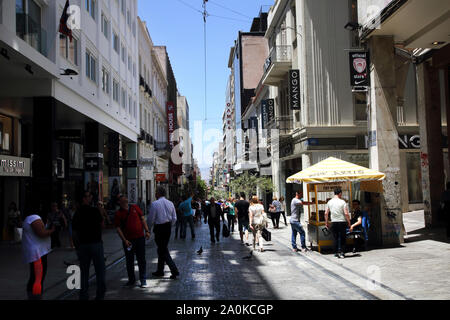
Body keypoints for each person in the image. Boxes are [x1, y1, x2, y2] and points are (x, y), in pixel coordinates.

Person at [72, 192, 106, 300]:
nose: (91, 197)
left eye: (90, 196)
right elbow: (103, 225)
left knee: (84, 272)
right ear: (84, 199)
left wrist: (77, 246)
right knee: (100, 271)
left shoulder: (78, 212)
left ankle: (83, 295)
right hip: (95, 244)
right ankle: (100, 295)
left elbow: (74, 231)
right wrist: (101, 213)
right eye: (89, 196)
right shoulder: (95, 210)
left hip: (83, 245)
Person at [114, 195, 151, 288]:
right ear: (119, 202)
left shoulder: (135, 207)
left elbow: (142, 219)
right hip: (128, 241)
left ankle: (143, 279)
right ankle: (131, 280)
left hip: (140, 238)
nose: (124, 199)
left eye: (125, 197)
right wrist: (125, 240)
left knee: (141, 260)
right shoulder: (118, 213)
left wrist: (147, 231)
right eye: (121, 198)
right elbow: (118, 228)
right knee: (129, 261)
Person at [22, 207, 55, 300]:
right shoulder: (33, 217)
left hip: (38, 252)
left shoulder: (29, 218)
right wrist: (52, 230)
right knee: (38, 277)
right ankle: (35, 297)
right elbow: (41, 233)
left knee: (37, 276)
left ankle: (34, 296)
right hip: (38, 254)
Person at [147, 187, 179, 279]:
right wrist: (169, 225)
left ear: (159, 193)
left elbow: (151, 219)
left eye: (156, 192)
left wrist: (148, 229)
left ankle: (174, 269)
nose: (155, 194)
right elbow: (174, 218)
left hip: (159, 228)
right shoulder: (170, 203)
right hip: (167, 227)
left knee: (162, 249)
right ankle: (160, 270)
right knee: (162, 248)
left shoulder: (155, 204)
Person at [325, 188, 351, 259]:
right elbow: (346, 213)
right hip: (342, 222)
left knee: (335, 238)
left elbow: (326, 213)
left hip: (334, 222)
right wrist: (349, 222)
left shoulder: (329, 202)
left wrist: (326, 222)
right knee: (343, 238)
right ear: (340, 193)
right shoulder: (343, 202)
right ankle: (342, 253)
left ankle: (336, 253)